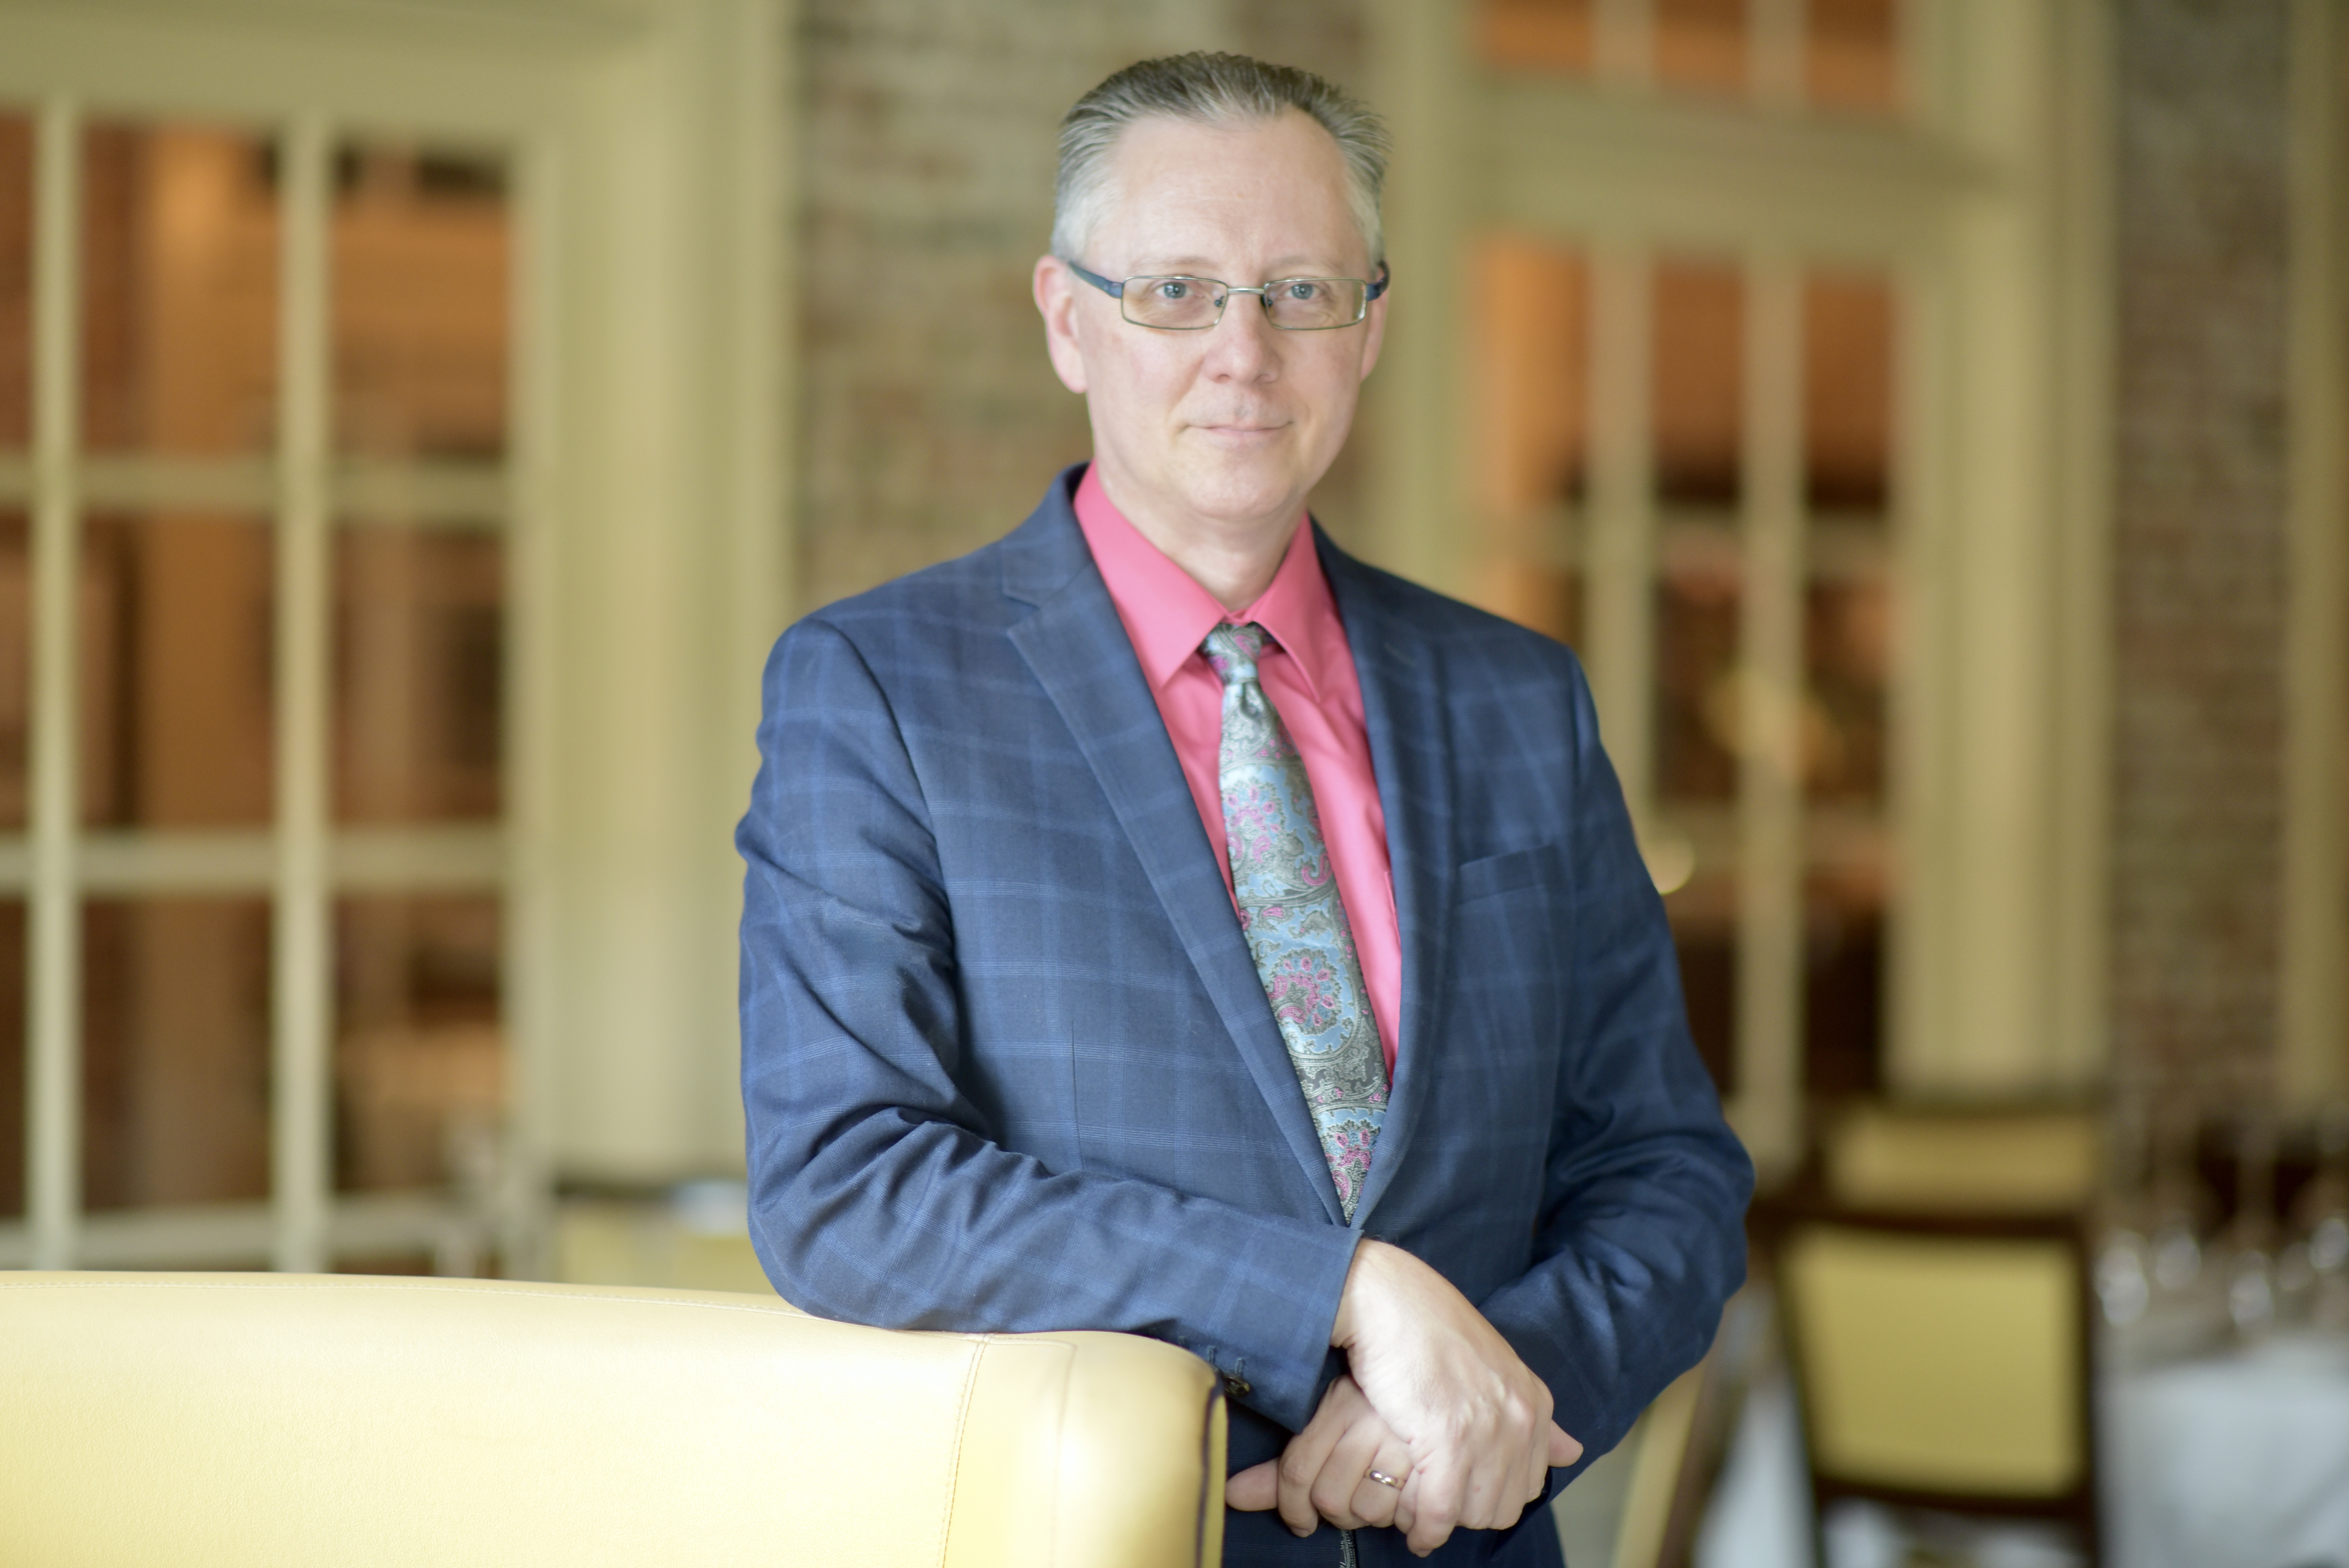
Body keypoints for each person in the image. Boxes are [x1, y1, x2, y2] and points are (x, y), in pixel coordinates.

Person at [737, 52, 1752, 1566]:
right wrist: (1342, 1295)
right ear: (1066, 316)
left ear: (1371, 328)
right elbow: (848, 1186)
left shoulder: (1518, 696)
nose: (1243, 352)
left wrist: (1487, 1380)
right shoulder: (881, 688)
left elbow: (1667, 1170)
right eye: (1174, 291)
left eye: (1299, 292)